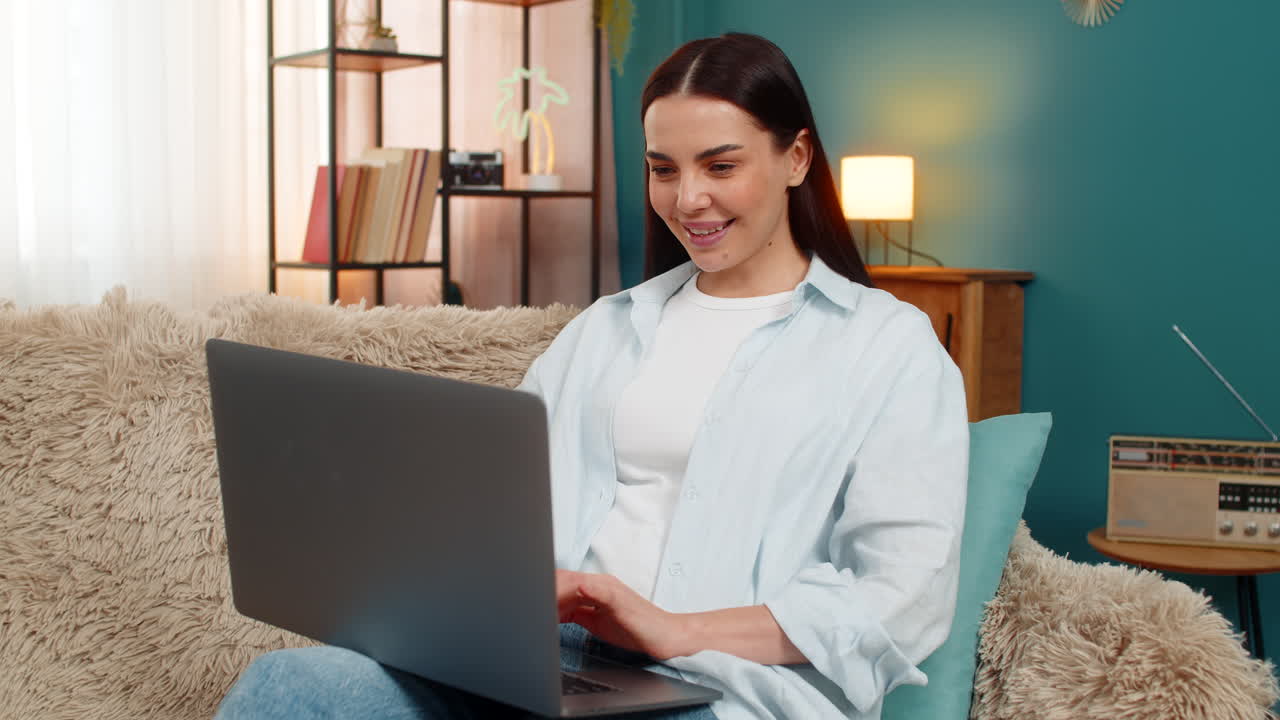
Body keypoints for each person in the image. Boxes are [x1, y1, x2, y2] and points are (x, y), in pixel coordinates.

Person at [216, 32, 968, 720]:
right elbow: (490, 514)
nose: (687, 199)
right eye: (663, 169)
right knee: (285, 691)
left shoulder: (888, 348)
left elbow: (901, 597)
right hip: (544, 668)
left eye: (722, 165)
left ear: (796, 158)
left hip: (724, 693)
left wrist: (676, 631)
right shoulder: (603, 330)